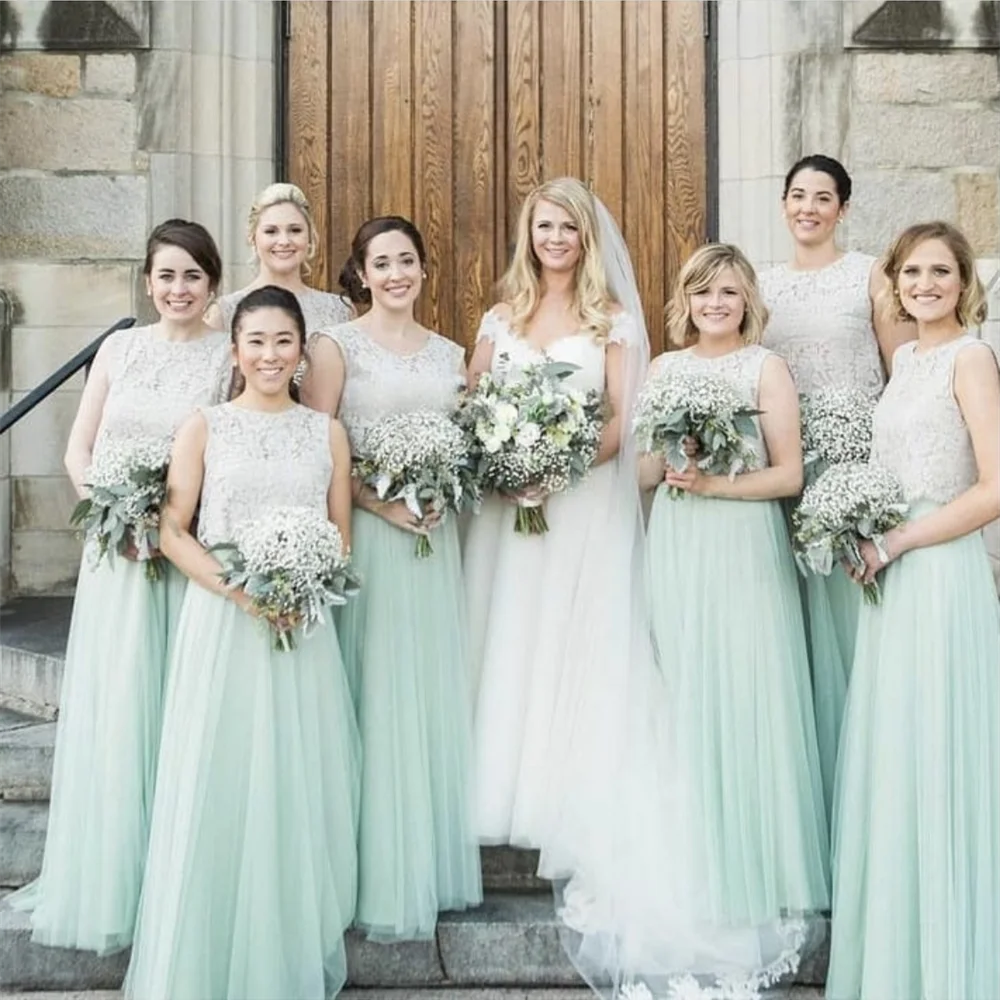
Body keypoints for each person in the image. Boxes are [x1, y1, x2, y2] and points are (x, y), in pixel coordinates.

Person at [124, 286, 361, 999]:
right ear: (234, 351)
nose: (269, 354)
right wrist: (241, 591)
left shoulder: (326, 433)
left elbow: (342, 536)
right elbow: (173, 531)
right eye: (255, 341)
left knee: (295, 777)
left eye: (283, 342)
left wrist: (301, 585)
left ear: (300, 353)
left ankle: (286, 934)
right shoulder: (203, 426)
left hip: (302, 627)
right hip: (223, 622)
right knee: (219, 775)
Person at [6, 221, 232, 953]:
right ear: (147, 281)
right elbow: (81, 444)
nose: (178, 290)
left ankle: (179, 871)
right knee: (121, 706)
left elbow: (226, 455)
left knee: (176, 706)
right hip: (116, 553)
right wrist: (110, 515)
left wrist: (168, 525)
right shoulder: (118, 348)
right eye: (166, 276)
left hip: (180, 551)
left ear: (213, 285)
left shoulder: (228, 358)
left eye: (192, 277)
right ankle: (117, 870)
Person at [826, 222, 999, 1000]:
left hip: (939, 574)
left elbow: (995, 489)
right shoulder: (903, 361)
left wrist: (900, 542)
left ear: (964, 282)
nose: (925, 284)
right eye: (912, 273)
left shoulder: (971, 358)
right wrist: (862, 530)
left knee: (939, 754)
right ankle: (896, 965)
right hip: (888, 577)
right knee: (896, 761)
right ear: (894, 283)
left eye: (940, 272)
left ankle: (948, 970)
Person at [302, 216, 482, 941]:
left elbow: (469, 444)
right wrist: (382, 503)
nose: (397, 273)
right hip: (369, 544)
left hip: (433, 551)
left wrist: (440, 490)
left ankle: (422, 859)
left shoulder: (450, 354)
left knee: (424, 696)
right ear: (362, 273)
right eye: (383, 263)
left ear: (424, 268)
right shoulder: (334, 346)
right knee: (368, 693)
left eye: (408, 260)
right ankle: (358, 864)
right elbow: (313, 444)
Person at [640, 241, 829, 932]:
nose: (714, 304)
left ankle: (762, 862)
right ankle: (690, 856)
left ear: (747, 300)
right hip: (680, 541)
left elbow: (789, 476)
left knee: (748, 685)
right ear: (685, 302)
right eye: (702, 292)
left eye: (727, 292)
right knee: (684, 684)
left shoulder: (765, 368)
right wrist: (662, 460)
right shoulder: (663, 369)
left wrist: (715, 480)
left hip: (745, 541)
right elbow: (642, 471)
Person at [463, 177, 642, 874]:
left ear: (586, 238)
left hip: (582, 503)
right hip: (508, 511)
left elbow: (622, 417)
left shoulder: (613, 321)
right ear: (528, 236)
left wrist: (557, 468)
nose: (556, 239)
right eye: (544, 227)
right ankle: (496, 791)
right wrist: (506, 466)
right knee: (508, 634)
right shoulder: (499, 319)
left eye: (568, 227)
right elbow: (472, 404)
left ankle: (564, 797)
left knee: (573, 639)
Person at [758, 154, 914, 822]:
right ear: (784, 204)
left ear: (843, 209)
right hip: (784, 474)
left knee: (852, 623)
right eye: (798, 195)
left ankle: (865, 793)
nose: (809, 207)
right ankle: (806, 791)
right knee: (791, 625)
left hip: (851, 473)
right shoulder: (761, 285)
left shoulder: (869, 275)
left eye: (824, 197)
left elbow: (901, 368)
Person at [205, 182, 352, 336]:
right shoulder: (224, 313)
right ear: (252, 237)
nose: (284, 241)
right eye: (271, 231)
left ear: (309, 236)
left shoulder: (340, 311)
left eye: (295, 230)